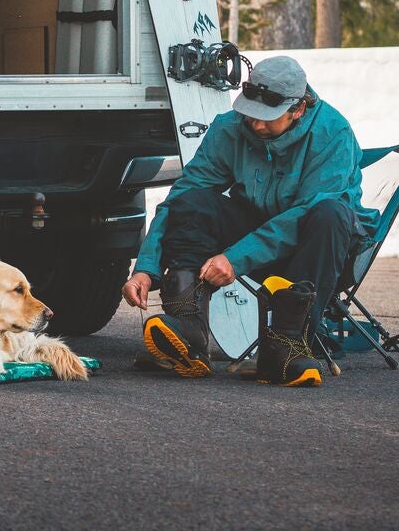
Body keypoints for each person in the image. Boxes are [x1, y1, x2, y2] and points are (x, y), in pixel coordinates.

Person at [123, 55, 367, 386]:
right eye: (250, 114)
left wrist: (235, 258)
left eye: (268, 118)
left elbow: (303, 214)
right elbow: (180, 198)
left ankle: (286, 345)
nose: (256, 124)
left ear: (299, 109)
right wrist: (146, 268)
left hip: (319, 251)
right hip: (260, 240)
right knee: (192, 204)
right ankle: (188, 329)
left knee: (329, 214)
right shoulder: (230, 127)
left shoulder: (333, 133)